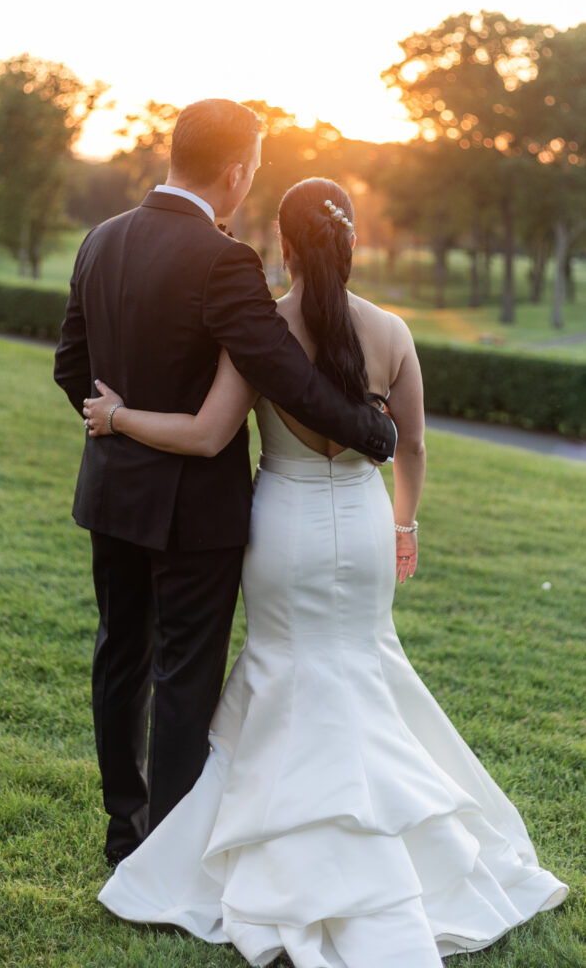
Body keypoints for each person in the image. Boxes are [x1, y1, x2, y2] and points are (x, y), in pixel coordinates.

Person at [85, 178, 568, 967]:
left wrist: (117, 416)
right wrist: (403, 521)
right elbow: (409, 446)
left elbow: (208, 435)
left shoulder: (261, 330)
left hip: (284, 526)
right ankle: (404, 847)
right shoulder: (390, 329)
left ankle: (272, 846)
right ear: (348, 241)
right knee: (364, 666)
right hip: (366, 521)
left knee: (286, 670)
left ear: (282, 242)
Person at [54, 100, 396, 867]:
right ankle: (168, 850)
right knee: (183, 669)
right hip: (193, 510)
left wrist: (118, 429)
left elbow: (70, 370)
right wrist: (372, 431)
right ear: (237, 172)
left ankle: (123, 830)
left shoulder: (98, 239)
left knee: (120, 654)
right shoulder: (222, 259)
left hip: (110, 493)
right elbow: (281, 372)